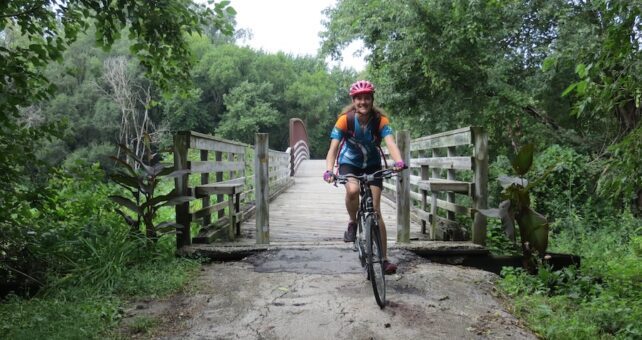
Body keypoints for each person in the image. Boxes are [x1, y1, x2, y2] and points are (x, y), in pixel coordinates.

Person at [323, 80, 405, 275]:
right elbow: (333, 148)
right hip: (349, 162)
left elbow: (391, 143)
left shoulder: (380, 120)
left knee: (376, 211)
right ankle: (353, 222)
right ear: (354, 100)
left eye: (367, 98)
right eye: (359, 98)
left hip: (373, 164)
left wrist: (399, 161)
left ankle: (384, 260)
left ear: (372, 99)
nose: (363, 102)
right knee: (352, 190)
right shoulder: (345, 120)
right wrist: (329, 170)